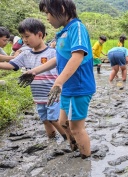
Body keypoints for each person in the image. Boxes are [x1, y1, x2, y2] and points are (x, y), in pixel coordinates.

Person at [19, 0, 96, 159]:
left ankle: (85, 159)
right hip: (68, 87)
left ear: (61, 9)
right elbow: (59, 59)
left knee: (76, 128)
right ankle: (75, 148)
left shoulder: (77, 28)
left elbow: (77, 56)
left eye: (48, 12)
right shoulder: (62, 33)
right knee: (63, 122)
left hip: (79, 87)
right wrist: (34, 71)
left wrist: (58, 82)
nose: (47, 18)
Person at [0, 18, 67, 140]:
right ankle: (51, 141)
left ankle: (68, 139)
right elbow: (11, 65)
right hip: (38, 96)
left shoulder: (53, 53)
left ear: (40, 34)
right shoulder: (25, 54)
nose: (24, 40)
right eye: (22, 37)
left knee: (54, 119)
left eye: (27, 36)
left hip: (53, 95)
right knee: (45, 120)